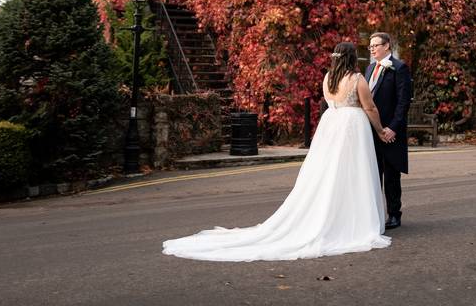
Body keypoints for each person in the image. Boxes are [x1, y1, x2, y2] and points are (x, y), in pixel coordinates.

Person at [161, 42, 391, 261]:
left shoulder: (328, 78)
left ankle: (328, 215)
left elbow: (329, 101)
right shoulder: (357, 79)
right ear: (352, 58)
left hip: (331, 125)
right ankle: (352, 219)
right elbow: (369, 107)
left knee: (327, 172)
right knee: (353, 172)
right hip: (351, 125)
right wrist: (380, 130)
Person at [365, 32, 412, 230]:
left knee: (392, 175)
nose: (372, 49)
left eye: (376, 45)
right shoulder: (368, 69)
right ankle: (375, 215)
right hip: (372, 131)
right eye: (370, 46)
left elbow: (403, 102)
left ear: (387, 46)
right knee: (373, 175)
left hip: (391, 132)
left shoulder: (399, 68)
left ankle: (394, 214)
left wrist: (393, 128)